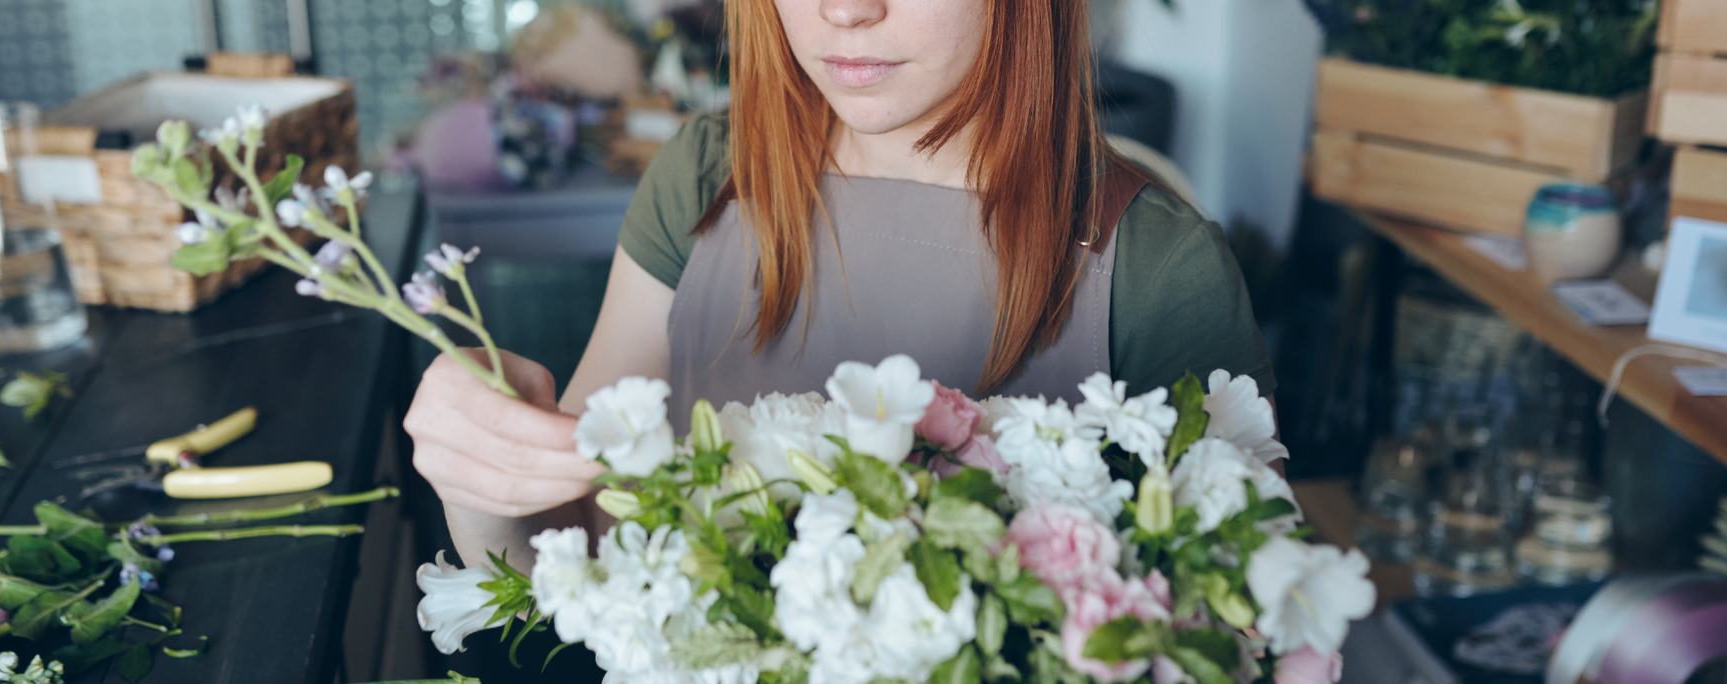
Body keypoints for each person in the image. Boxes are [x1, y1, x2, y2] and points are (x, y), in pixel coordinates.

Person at [404, 0, 1273, 572]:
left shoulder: (1164, 274)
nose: (844, 9)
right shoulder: (703, 176)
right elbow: (571, 556)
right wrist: (485, 485)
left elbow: (1232, 635)